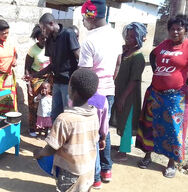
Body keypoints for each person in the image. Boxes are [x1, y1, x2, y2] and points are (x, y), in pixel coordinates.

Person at [135, 15, 188, 178]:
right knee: (151, 127)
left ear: (185, 30)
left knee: (173, 130)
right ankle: (147, 156)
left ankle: (171, 163)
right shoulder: (163, 45)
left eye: (179, 28)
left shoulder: (187, 47)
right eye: (172, 29)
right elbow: (152, 56)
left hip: (175, 98)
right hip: (155, 94)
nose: (175, 32)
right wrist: (158, 72)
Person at [79, 0, 123, 188]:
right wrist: (109, 81)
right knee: (104, 131)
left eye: (83, 17)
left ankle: (95, 177)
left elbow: (85, 73)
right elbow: (119, 63)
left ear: (91, 17)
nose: (83, 21)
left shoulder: (89, 40)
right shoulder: (116, 35)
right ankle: (107, 169)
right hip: (109, 90)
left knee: (92, 135)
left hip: (93, 94)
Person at [34, 68, 100, 192]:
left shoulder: (64, 119)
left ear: (72, 90)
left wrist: (40, 153)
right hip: (88, 169)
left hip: (70, 173)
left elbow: (51, 148)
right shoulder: (94, 114)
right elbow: (95, 140)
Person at [24, 13, 80, 122]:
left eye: (44, 28)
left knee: (68, 115)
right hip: (57, 82)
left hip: (68, 84)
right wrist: (33, 75)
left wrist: (75, 81)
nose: (43, 32)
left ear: (51, 23)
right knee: (55, 115)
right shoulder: (49, 40)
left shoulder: (68, 34)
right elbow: (51, 65)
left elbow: (80, 59)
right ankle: (56, 138)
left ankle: (67, 139)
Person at [110, 22, 147, 161]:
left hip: (129, 95)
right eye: (127, 35)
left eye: (132, 37)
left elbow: (134, 80)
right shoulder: (126, 53)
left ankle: (124, 151)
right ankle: (122, 146)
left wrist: (123, 98)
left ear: (139, 38)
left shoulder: (138, 57)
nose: (128, 39)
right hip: (120, 91)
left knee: (127, 120)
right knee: (121, 118)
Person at [25, 25, 51, 137]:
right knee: (34, 104)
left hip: (49, 78)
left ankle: (46, 127)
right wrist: (29, 86)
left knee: (48, 105)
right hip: (36, 79)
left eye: (46, 37)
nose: (44, 40)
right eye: (42, 38)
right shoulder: (33, 50)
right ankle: (32, 127)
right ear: (37, 38)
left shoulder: (50, 47)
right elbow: (27, 68)